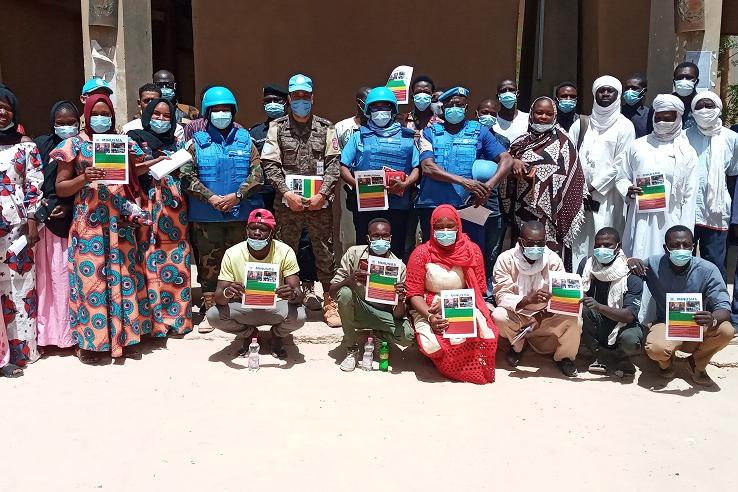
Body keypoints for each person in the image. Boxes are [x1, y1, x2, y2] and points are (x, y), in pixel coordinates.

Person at [52, 93, 164, 363]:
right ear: (86, 115)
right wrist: (83, 177)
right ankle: (92, 343)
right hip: (88, 223)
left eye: (106, 115)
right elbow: (61, 187)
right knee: (91, 282)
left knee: (124, 277)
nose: (100, 119)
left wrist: (155, 163)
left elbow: (134, 171)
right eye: (95, 114)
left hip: (119, 221)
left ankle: (126, 337)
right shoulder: (73, 144)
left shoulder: (121, 143)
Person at [261, 74, 342, 327]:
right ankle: (283, 300)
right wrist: (287, 193)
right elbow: (270, 164)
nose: (301, 100)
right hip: (288, 204)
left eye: (305, 96)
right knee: (285, 250)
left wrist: (322, 194)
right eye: (296, 96)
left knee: (324, 251)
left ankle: (330, 300)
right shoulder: (277, 127)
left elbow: (334, 165)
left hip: (319, 203)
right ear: (289, 98)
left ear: (312, 97)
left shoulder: (326, 128)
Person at [180, 86, 264, 330]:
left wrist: (237, 196)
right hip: (206, 215)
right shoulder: (195, 143)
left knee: (242, 261)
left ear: (233, 112)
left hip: (239, 213)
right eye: (216, 110)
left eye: (226, 109)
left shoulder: (246, 140)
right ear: (207, 113)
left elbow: (258, 174)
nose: (221, 114)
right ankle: (210, 307)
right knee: (209, 263)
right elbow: (186, 176)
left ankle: (239, 305)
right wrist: (211, 198)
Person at [629, 226, 734, 386]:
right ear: (666, 248)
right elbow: (629, 271)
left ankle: (697, 364)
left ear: (693, 246)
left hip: (697, 325)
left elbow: (724, 307)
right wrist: (628, 261)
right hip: (666, 323)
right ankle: (666, 364)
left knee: (726, 330)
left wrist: (712, 318)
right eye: (675, 245)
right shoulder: (653, 264)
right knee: (656, 348)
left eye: (686, 245)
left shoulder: (708, 270)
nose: (681, 249)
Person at [406, 205, 498, 384]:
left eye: (450, 226)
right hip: (430, 306)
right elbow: (413, 293)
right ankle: (438, 360)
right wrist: (430, 317)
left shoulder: (472, 251)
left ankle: (467, 369)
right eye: (439, 227)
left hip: (464, 301)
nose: (445, 231)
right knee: (433, 344)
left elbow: (478, 290)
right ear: (432, 228)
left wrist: (451, 303)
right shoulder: (422, 253)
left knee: (483, 333)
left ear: (458, 226)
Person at [416, 86, 516, 244]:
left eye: (459, 105)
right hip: (434, 205)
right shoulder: (428, 132)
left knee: (472, 250)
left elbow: (507, 159)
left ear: (466, 108)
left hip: (471, 206)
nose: (454, 108)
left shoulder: (480, 131)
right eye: (450, 105)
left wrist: (488, 187)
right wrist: (464, 182)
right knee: (435, 252)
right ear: (443, 108)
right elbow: (428, 167)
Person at [127, 98, 193, 337]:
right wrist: (153, 163)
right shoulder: (134, 139)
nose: (162, 120)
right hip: (145, 204)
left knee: (176, 260)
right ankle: (153, 323)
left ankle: (177, 319)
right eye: (157, 114)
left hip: (174, 209)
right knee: (148, 259)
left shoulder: (178, 142)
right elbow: (128, 171)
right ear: (147, 115)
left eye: (167, 116)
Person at [500, 96, 585, 270]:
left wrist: (541, 179)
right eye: (539, 113)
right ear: (531, 114)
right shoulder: (520, 142)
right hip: (522, 210)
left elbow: (573, 176)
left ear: (555, 116)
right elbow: (504, 169)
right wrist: (514, 165)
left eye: (548, 113)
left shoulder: (565, 142)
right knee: (522, 255)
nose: (543, 117)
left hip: (552, 215)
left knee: (550, 260)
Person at [207, 209, 306, 359]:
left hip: (276, 305)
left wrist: (292, 294)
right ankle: (250, 334)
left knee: (299, 316)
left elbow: (298, 294)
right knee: (213, 316)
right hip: (243, 306)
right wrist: (228, 292)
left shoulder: (285, 251)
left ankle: (277, 335)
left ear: (272, 233)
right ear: (247, 230)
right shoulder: (232, 253)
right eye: (253, 228)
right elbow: (219, 298)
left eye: (263, 229)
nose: (257, 233)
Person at [492, 221, 581, 377]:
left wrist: (541, 316)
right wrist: (527, 300)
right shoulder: (505, 259)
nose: (536, 247)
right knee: (498, 315)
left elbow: (562, 298)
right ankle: (518, 346)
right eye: (530, 243)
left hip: (546, 316)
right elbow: (501, 295)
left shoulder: (553, 260)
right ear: (520, 241)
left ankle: (564, 357)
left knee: (575, 319)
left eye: (540, 243)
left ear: (545, 241)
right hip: (518, 314)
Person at [616, 94, 698, 261]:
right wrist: (628, 190)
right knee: (638, 259)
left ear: (678, 118)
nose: (661, 122)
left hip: (671, 217)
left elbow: (690, 196)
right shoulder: (638, 146)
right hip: (639, 217)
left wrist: (685, 232)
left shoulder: (686, 152)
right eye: (658, 117)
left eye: (667, 118)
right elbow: (622, 177)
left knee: (666, 262)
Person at [340, 87, 419, 257]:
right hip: (367, 203)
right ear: (368, 111)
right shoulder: (359, 136)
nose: (380, 111)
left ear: (393, 110)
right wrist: (357, 185)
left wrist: (405, 184)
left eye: (385, 107)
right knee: (365, 249)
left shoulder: (407, 137)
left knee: (396, 250)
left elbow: (417, 168)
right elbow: (343, 166)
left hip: (398, 205)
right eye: (375, 107)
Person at [569, 76, 636, 268]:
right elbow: (569, 156)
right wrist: (579, 188)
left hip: (609, 198)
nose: (605, 94)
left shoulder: (625, 126)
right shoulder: (581, 124)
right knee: (580, 241)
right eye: (601, 90)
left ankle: (604, 281)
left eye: (610, 90)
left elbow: (621, 163)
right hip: (579, 195)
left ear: (618, 95)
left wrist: (593, 186)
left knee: (605, 239)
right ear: (594, 94)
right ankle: (580, 277)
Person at [330, 218, 413, 371]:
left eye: (385, 236)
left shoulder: (399, 266)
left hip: (383, 314)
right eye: (376, 236)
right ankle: (352, 349)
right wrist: (349, 280)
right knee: (345, 293)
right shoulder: (353, 254)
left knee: (407, 336)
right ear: (368, 238)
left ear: (390, 238)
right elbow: (333, 291)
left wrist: (401, 299)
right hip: (357, 310)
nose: (381, 240)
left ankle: (379, 334)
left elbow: (398, 315)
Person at [0, 87, 43, 369]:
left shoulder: (26, 147)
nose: (2, 112)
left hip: (17, 227)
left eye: (7, 107)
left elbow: (34, 184)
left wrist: (32, 221)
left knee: (19, 287)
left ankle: (22, 352)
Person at [33, 100, 79, 352]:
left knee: (65, 280)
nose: (66, 128)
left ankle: (69, 336)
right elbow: (32, 180)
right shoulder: (41, 146)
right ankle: (46, 335)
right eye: (60, 123)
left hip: (72, 223)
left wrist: (69, 207)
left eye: (71, 122)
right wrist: (40, 206)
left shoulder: (83, 146)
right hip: (45, 223)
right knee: (45, 280)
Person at [577, 227, 644, 377]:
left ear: (618, 247)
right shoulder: (587, 265)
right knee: (583, 310)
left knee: (630, 340)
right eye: (598, 245)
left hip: (622, 323)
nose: (602, 249)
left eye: (607, 245)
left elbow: (629, 316)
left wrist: (599, 307)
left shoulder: (631, 272)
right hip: (597, 319)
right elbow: (578, 291)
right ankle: (599, 355)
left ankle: (623, 357)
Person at [686, 91, 738, 281]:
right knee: (683, 262)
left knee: (715, 264)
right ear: (693, 110)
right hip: (687, 210)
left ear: (718, 108)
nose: (704, 110)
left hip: (716, 212)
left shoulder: (732, 138)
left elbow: (732, 176)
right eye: (699, 106)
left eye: (709, 105)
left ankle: (716, 300)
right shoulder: (683, 137)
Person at [476, 99, 511, 297]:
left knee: (492, 249)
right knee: (475, 245)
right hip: (472, 201)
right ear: (476, 113)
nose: (487, 116)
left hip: (495, 202)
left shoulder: (502, 141)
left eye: (492, 113)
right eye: (484, 112)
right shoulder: (470, 138)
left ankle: (488, 286)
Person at [249, 84, 289, 211]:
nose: (272, 104)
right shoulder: (255, 132)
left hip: (289, 192)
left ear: (286, 103)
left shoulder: (294, 130)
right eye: (268, 101)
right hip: (263, 193)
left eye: (277, 100)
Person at [334, 86, 371, 151]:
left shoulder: (379, 128)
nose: (371, 107)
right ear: (359, 102)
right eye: (368, 103)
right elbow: (335, 154)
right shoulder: (341, 127)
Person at [621, 73, 654, 138]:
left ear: (644, 91)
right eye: (627, 88)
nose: (629, 91)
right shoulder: (618, 112)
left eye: (634, 88)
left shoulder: (650, 115)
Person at [672, 61, 699, 129]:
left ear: (697, 82)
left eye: (689, 77)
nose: (684, 80)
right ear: (674, 82)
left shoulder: (704, 106)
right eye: (680, 77)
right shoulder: (664, 104)